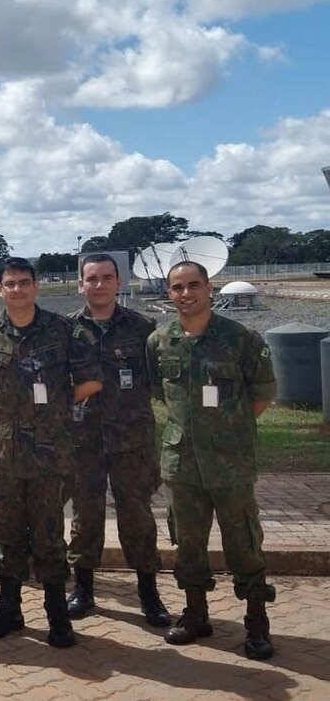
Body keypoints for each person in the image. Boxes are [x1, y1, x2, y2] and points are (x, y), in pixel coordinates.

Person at [0, 257, 102, 648]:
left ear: (35, 287)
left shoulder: (62, 331)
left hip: (51, 454)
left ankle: (57, 616)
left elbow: (89, 380)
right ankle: (9, 609)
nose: (17, 289)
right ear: (0, 290)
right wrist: (2, 407)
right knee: (8, 532)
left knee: (49, 534)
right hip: (2, 453)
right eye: (10, 284)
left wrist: (57, 406)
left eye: (24, 282)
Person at [146, 261, 278, 660]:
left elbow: (262, 394)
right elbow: (158, 392)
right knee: (188, 541)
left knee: (244, 542)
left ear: (209, 288)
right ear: (169, 293)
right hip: (181, 461)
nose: (186, 294)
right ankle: (196, 614)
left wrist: (226, 430)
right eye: (177, 287)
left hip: (230, 462)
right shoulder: (159, 341)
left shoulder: (241, 338)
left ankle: (256, 623)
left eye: (193, 285)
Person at [65, 254, 170, 627]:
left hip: (132, 440)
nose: (99, 285)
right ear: (81, 284)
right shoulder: (66, 330)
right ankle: (83, 589)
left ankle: (149, 592)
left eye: (106, 277)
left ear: (119, 282)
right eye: (91, 278)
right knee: (85, 516)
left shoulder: (143, 328)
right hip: (83, 440)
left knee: (137, 516)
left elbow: (159, 383)